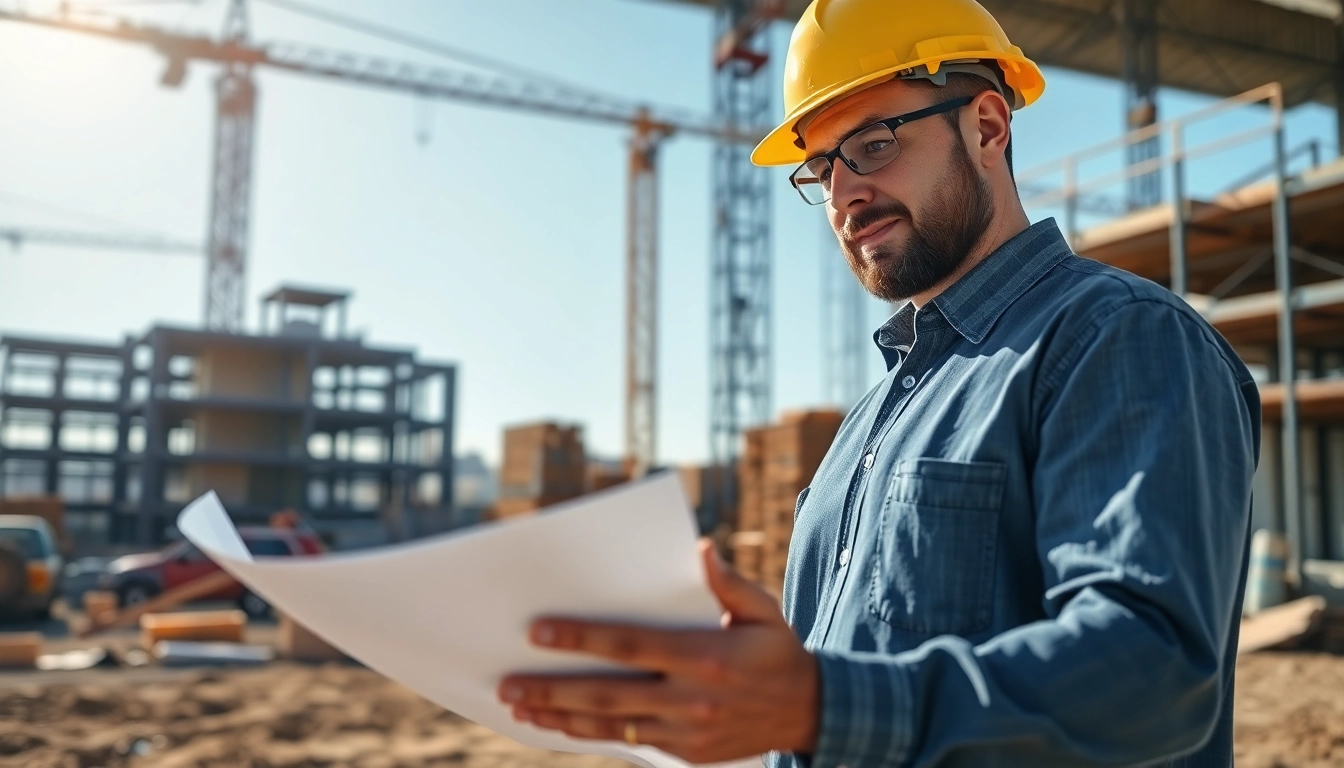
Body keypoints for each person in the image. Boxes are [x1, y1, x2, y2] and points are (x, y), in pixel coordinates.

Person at [497, 1, 1260, 765]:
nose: (841, 196)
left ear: (988, 128)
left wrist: (820, 703)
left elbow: (1153, 676)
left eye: (872, 144)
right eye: (822, 168)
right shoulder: (868, 426)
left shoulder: (1116, 338)